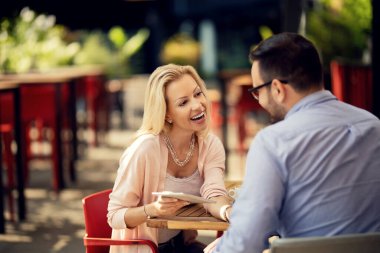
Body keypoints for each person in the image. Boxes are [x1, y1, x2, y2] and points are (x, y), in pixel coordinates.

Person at [205, 32, 380, 253]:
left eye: (257, 91)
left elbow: (244, 244)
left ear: (277, 89)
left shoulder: (273, 142)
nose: (257, 100)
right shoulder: (373, 126)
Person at [107, 64, 231, 253]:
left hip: (182, 245)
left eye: (198, 94)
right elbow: (114, 216)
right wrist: (153, 210)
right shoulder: (144, 149)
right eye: (183, 103)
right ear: (166, 114)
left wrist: (229, 213)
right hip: (146, 248)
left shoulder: (210, 144)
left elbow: (214, 192)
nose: (198, 105)